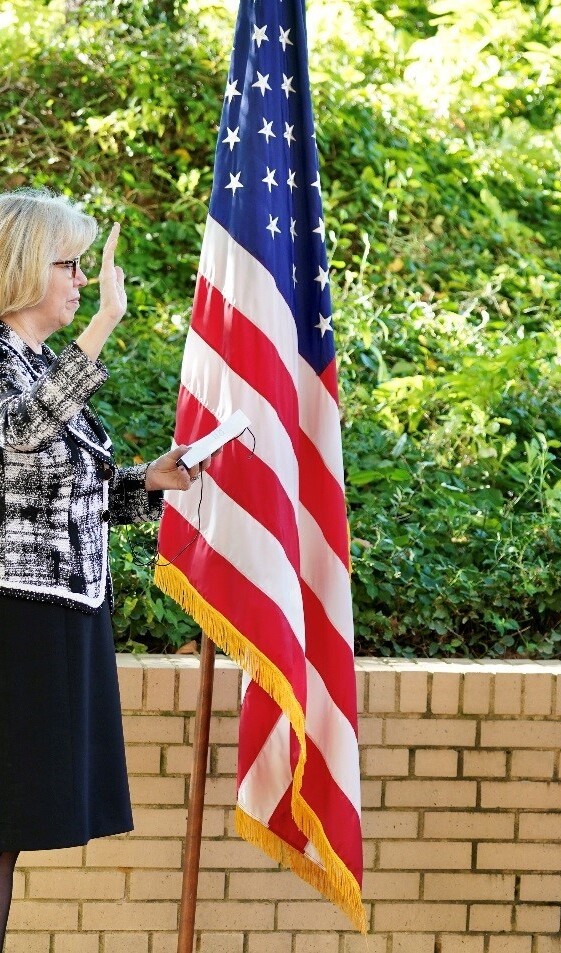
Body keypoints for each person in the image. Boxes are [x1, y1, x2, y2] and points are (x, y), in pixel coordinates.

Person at [0, 188, 206, 951]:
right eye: (70, 264)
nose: (84, 280)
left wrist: (148, 480)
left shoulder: (40, 364)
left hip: (60, 613)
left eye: (86, 267)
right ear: (24, 268)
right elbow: (19, 443)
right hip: (14, 614)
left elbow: (53, 486)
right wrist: (103, 326)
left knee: (14, 825)